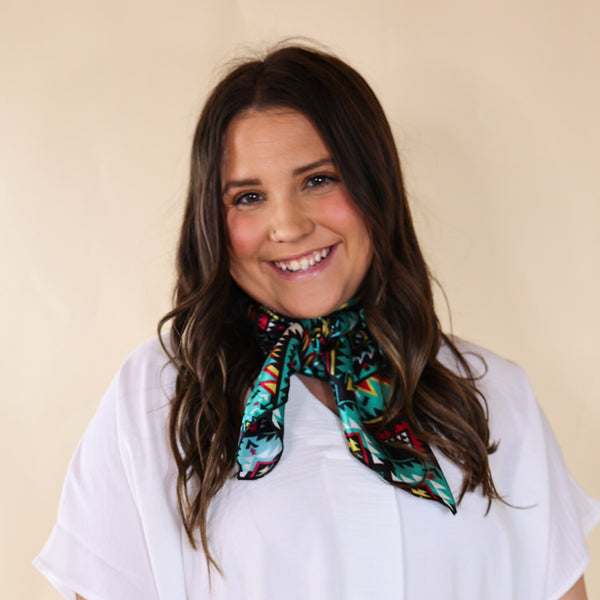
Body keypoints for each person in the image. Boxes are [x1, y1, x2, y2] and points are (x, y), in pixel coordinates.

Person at [35, 44, 599, 600]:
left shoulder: (493, 395)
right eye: (248, 197)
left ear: (375, 186)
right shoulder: (157, 396)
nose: (286, 225)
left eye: (318, 180)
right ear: (212, 219)